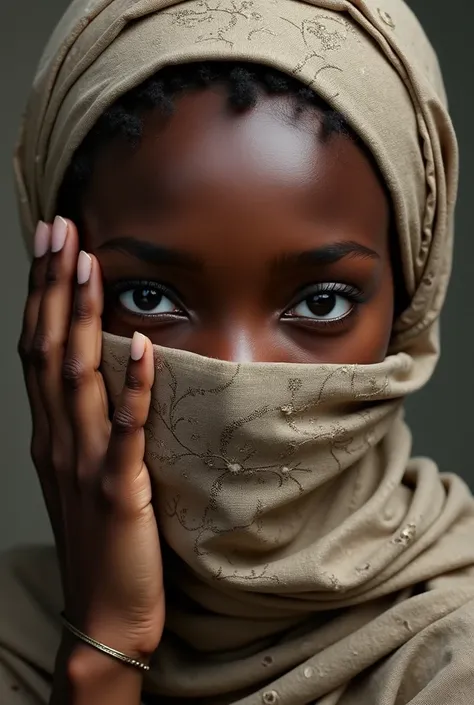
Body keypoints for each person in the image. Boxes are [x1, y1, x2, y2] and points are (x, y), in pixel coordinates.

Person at [1, 0, 474, 703]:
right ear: (61, 304)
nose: (237, 375)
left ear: (409, 303)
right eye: (152, 297)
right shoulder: (15, 632)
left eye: (321, 302)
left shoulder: (451, 659)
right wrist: (103, 649)